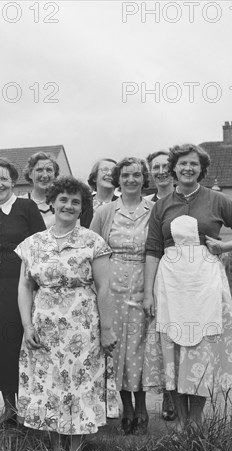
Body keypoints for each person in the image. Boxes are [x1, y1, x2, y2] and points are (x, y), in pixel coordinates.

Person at [143, 144, 232, 429]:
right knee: (175, 349)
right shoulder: (162, 204)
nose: (187, 169)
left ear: (201, 169)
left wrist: (227, 245)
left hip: (205, 282)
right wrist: (148, 293)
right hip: (171, 284)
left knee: (200, 349)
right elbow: (153, 249)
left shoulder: (216, 200)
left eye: (193, 164)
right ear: (174, 168)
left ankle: (196, 421)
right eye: (182, 164)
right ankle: (181, 422)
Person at [17, 176, 116, 451]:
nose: (69, 206)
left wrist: (107, 329)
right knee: (50, 389)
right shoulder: (33, 244)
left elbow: (105, 288)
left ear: (82, 206)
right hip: (43, 329)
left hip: (81, 329)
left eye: (76, 202)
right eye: (63, 200)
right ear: (52, 202)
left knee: (77, 389)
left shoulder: (92, 242)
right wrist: (27, 326)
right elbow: (25, 286)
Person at [0, 157, 46, 423]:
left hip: (20, 284)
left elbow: (40, 247)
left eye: (4, 178)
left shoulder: (27, 208)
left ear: (14, 181)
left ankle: (13, 408)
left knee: (11, 343)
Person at [91, 158, 153, 435]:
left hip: (143, 281)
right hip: (112, 284)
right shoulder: (105, 211)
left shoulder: (155, 209)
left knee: (139, 345)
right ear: (118, 179)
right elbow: (91, 248)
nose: (131, 179)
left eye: (136, 174)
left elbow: (158, 247)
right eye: (126, 174)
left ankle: (142, 406)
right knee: (115, 346)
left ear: (143, 178)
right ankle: (125, 407)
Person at [144, 150, 177, 422]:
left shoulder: (184, 199)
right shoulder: (145, 204)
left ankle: (174, 394)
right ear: (150, 171)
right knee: (153, 339)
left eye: (167, 165)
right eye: (156, 166)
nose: (162, 170)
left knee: (176, 335)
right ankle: (157, 394)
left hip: (182, 278)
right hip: (152, 274)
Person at [24, 151, 94, 228]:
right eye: (39, 170)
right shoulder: (20, 203)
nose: (45, 175)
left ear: (55, 174)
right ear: (30, 174)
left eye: (49, 170)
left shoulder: (66, 202)